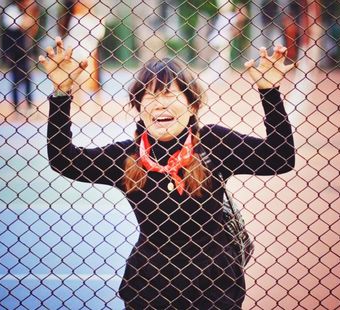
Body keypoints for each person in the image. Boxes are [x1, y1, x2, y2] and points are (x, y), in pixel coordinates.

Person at [39, 36, 295, 308]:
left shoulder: (214, 143)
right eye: (149, 96)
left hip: (214, 285)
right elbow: (64, 160)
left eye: (169, 94)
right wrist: (61, 92)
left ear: (192, 104)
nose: (159, 104)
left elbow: (280, 157)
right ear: (139, 108)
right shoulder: (128, 155)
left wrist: (269, 90)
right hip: (150, 286)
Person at [1, 0, 39, 109]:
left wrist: (32, 17)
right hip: (14, 51)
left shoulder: (26, 13)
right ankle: (16, 104)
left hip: (25, 50)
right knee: (16, 78)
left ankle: (29, 104)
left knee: (27, 77)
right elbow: (20, 25)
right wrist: (31, 17)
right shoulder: (11, 10)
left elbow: (32, 32)